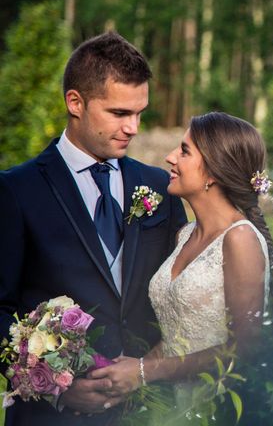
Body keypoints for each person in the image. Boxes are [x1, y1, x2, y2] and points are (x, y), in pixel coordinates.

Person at [0, 31, 188, 425]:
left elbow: (177, 296)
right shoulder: (16, 190)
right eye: (119, 113)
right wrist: (56, 386)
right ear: (75, 103)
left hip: (146, 411)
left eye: (140, 113)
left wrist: (147, 371)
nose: (133, 128)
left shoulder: (159, 186)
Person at [88, 112, 273, 412]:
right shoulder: (185, 235)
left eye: (184, 151)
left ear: (213, 172)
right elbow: (179, 332)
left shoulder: (239, 239)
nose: (169, 158)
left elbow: (245, 348)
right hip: (168, 405)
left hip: (213, 405)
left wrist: (145, 372)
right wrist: (130, 371)